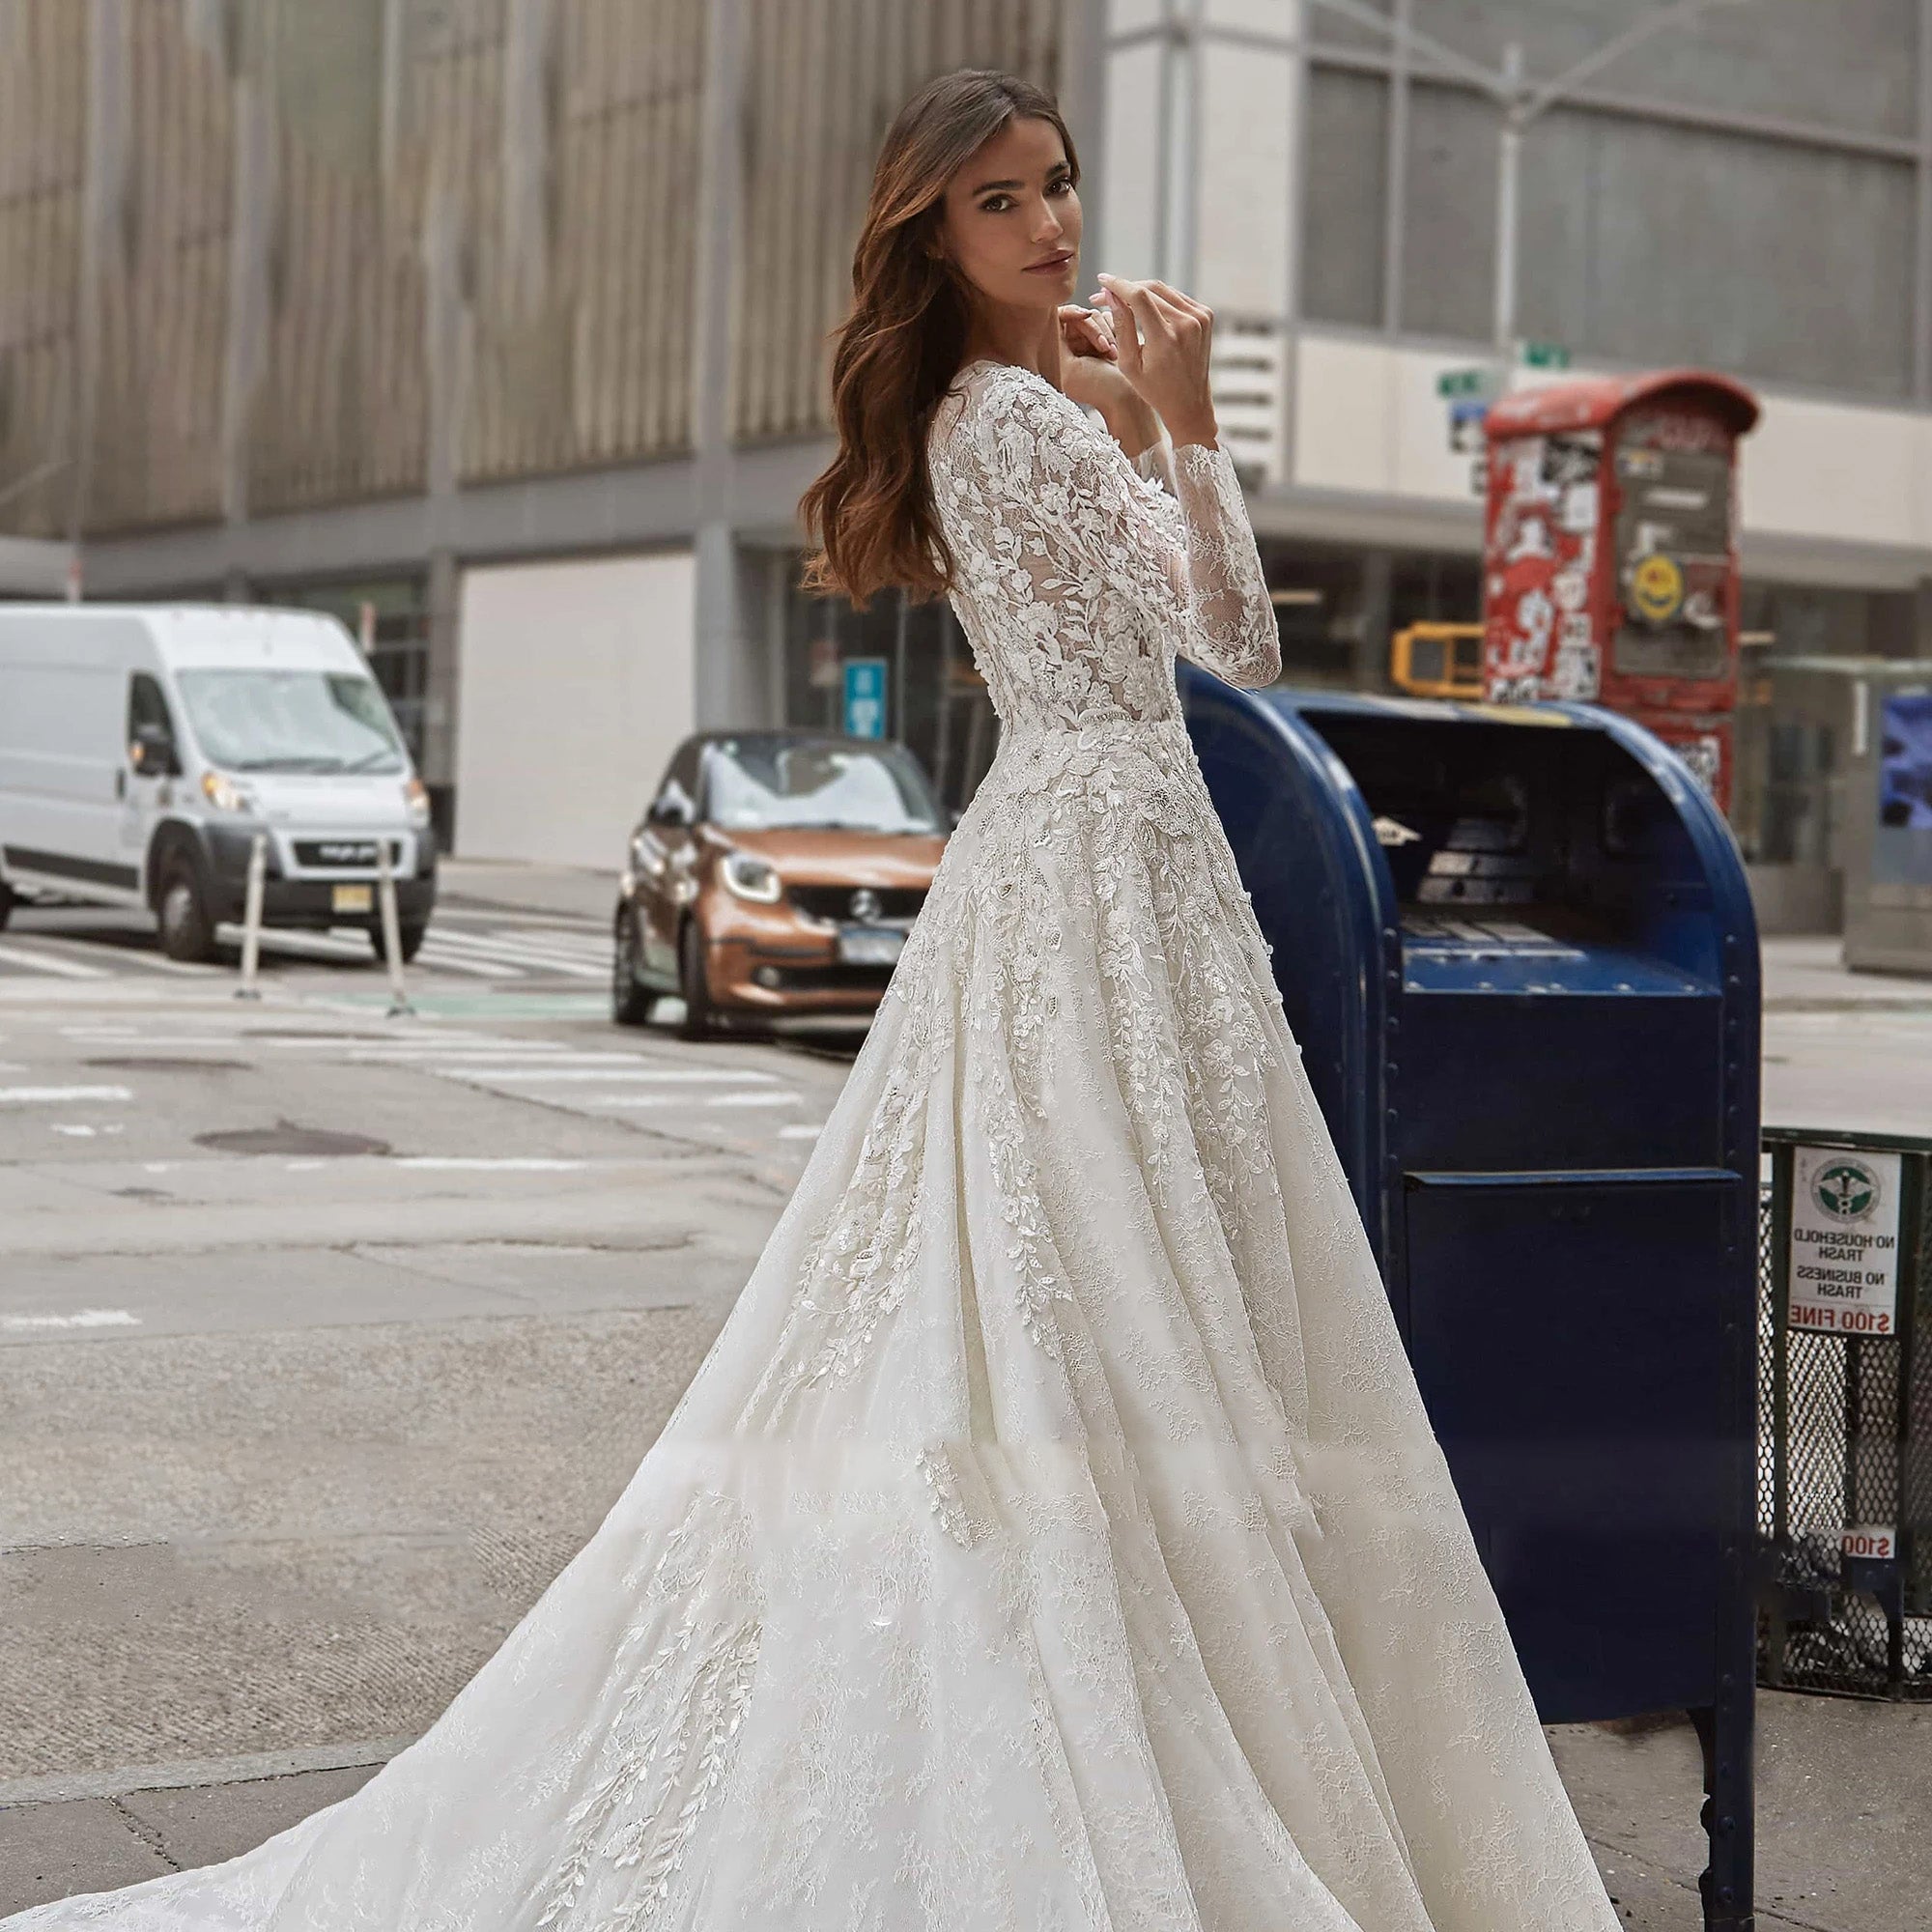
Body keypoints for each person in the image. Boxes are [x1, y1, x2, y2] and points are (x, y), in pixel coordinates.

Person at [8, 68, 1622, 1932]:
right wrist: (1179, 424)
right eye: (1002, 201)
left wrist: (1133, 415)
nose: (1052, 223)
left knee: (1113, 1275)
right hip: (1100, 858)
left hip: (1108, 865)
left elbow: (1196, 657)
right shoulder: (1004, 426)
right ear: (933, 234)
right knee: (1085, 1279)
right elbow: (1221, 653)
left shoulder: (1022, 409)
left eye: (1058, 186)